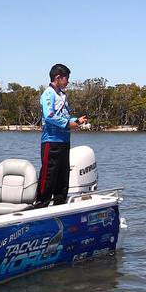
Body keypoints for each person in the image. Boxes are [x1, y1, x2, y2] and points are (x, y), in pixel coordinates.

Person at [35, 64, 88, 207]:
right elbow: (50, 115)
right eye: (67, 78)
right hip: (51, 142)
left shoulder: (62, 95)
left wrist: (76, 121)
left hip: (64, 141)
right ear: (58, 77)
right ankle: (41, 204)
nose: (68, 82)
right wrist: (68, 124)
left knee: (63, 175)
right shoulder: (48, 93)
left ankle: (60, 204)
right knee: (49, 175)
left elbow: (63, 116)